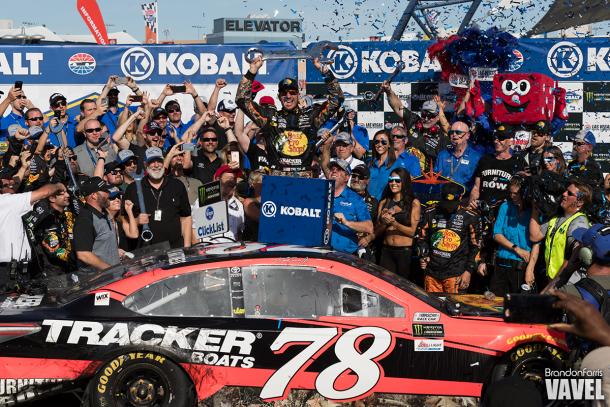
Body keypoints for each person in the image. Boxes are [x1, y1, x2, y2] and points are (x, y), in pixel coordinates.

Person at [236, 55, 343, 177]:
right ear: (279, 96)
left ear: (298, 95)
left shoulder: (312, 116)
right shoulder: (270, 117)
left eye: (292, 92)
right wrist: (252, 71)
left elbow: (337, 99)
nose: (288, 96)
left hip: (304, 177)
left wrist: (324, 71)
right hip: (277, 176)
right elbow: (241, 100)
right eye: (283, 93)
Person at [124, 147, 192, 249]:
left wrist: (186, 247)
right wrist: (137, 220)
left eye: (159, 161)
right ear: (145, 164)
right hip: (146, 251)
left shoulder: (177, 185)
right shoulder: (133, 188)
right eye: (152, 161)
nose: (156, 165)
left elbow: (186, 217)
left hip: (175, 249)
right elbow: (124, 220)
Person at [0, 182, 64, 289]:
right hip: (10, 273)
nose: (11, 187)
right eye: (6, 185)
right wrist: (58, 186)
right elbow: (45, 192)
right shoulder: (6, 201)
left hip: (14, 271)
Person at [419, 183, 480, 293]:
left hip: (455, 274)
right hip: (432, 272)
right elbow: (422, 238)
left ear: (460, 198)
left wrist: (468, 271)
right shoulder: (431, 212)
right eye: (446, 203)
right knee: (432, 308)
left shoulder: (470, 216)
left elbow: (475, 247)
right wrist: (423, 255)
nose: (449, 206)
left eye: (452, 203)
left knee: (453, 308)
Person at [530, 180, 592, 282]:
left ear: (580, 203)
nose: (564, 194)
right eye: (565, 191)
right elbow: (535, 236)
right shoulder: (557, 218)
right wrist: (535, 208)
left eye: (570, 193)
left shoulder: (579, 222)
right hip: (555, 281)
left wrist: (555, 282)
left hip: (568, 283)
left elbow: (575, 255)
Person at [383, 85, 450, 172]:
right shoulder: (413, 120)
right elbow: (398, 107)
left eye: (430, 116)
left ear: (438, 117)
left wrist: (441, 111)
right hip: (404, 172)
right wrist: (389, 91)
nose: (426, 119)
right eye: (424, 115)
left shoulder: (441, 135)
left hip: (424, 178)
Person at [489, 177, 538, 295]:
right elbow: (497, 234)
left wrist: (530, 269)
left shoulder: (534, 210)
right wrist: (516, 249)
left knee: (518, 306)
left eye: (516, 193)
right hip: (501, 264)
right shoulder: (505, 206)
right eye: (510, 192)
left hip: (521, 268)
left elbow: (537, 242)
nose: (512, 196)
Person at [375, 168, 420, 279]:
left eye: (397, 180)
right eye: (391, 180)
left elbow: (413, 232)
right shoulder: (384, 202)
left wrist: (395, 223)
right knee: (385, 285)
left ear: (404, 182)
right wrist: (384, 223)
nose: (393, 183)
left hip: (404, 252)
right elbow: (376, 231)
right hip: (386, 251)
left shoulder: (413, 203)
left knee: (403, 288)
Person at [26, 184, 77, 283]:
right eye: (62, 194)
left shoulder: (67, 215)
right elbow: (56, 251)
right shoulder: (46, 220)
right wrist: (78, 257)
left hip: (70, 269)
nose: (67, 195)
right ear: (52, 198)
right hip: (55, 275)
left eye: (66, 192)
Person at [469, 125, 525, 208]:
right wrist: (472, 203)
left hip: (505, 210)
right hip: (483, 209)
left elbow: (520, 191)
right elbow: (476, 187)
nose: (496, 141)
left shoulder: (518, 162)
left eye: (501, 138)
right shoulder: (485, 159)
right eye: (495, 137)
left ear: (511, 141)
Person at [72, 177, 120, 273]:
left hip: (113, 277)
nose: (108, 194)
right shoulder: (85, 219)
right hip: (99, 280)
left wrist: (115, 252)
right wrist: (110, 270)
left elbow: (101, 245)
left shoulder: (104, 214)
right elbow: (83, 254)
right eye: (105, 191)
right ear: (94, 195)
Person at [329, 159, 373, 255]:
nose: (334, 171)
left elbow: (369, 227)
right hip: (321, 252)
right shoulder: (320, 194)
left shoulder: (355, 199)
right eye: (332, 169)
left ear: (347, 177)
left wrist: (346, 222)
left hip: (345, 256)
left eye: (339, 169)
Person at [434, 120, 483, 189]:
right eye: (451, 132)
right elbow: (434, 178)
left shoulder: (476, 157)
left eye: (458, 132)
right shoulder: (442, 155)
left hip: (464, 197)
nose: (454, 135)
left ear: (467, 135)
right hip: (442, 195)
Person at [349, 165, 378, 258]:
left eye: (360, 177)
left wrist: (369, 238)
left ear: (368, 180)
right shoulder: (341, 196)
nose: (356, 179)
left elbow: (377, 227)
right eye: (354, 176)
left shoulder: (373, 202)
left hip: (364, 248)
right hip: (344, 244)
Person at [213, 164, 245, 241]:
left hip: (232, 250)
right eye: (228, 178)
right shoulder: (204, 201)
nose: (232, 181)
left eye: (234, 178)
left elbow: (240, 233)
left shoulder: (239, 205)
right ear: (218, 180)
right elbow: (194, 229)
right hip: (209, 250)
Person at [105, 187, 138, 254]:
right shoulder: (100, 221)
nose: (117, 200)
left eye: (118, 197)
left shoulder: (120, 219)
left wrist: (129, 211)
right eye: (112, 198)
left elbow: (134, 235)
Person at [368, 130, 397, 200]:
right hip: (368, 206)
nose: (380, 144)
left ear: (389, 144)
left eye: (383, 142)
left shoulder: (397, 165)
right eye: (376, 142)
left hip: (385, 207)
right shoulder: (369, 164)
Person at [243, 170, 264, 242]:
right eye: (262, 181)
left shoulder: (272, 201)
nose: (266, 183)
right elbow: (264, 220)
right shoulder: (248, 202)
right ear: (253, 184)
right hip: (254, 243)